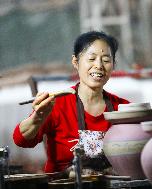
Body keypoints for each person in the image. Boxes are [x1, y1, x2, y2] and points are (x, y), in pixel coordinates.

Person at [13, 31, 130, 173]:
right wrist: (38, 117)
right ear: (75, 62)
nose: (99, 65)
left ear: (113, 65)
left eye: (106, 60)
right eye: (91, 59)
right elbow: (21, 140)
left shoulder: (123, 108)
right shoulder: (57, 104)